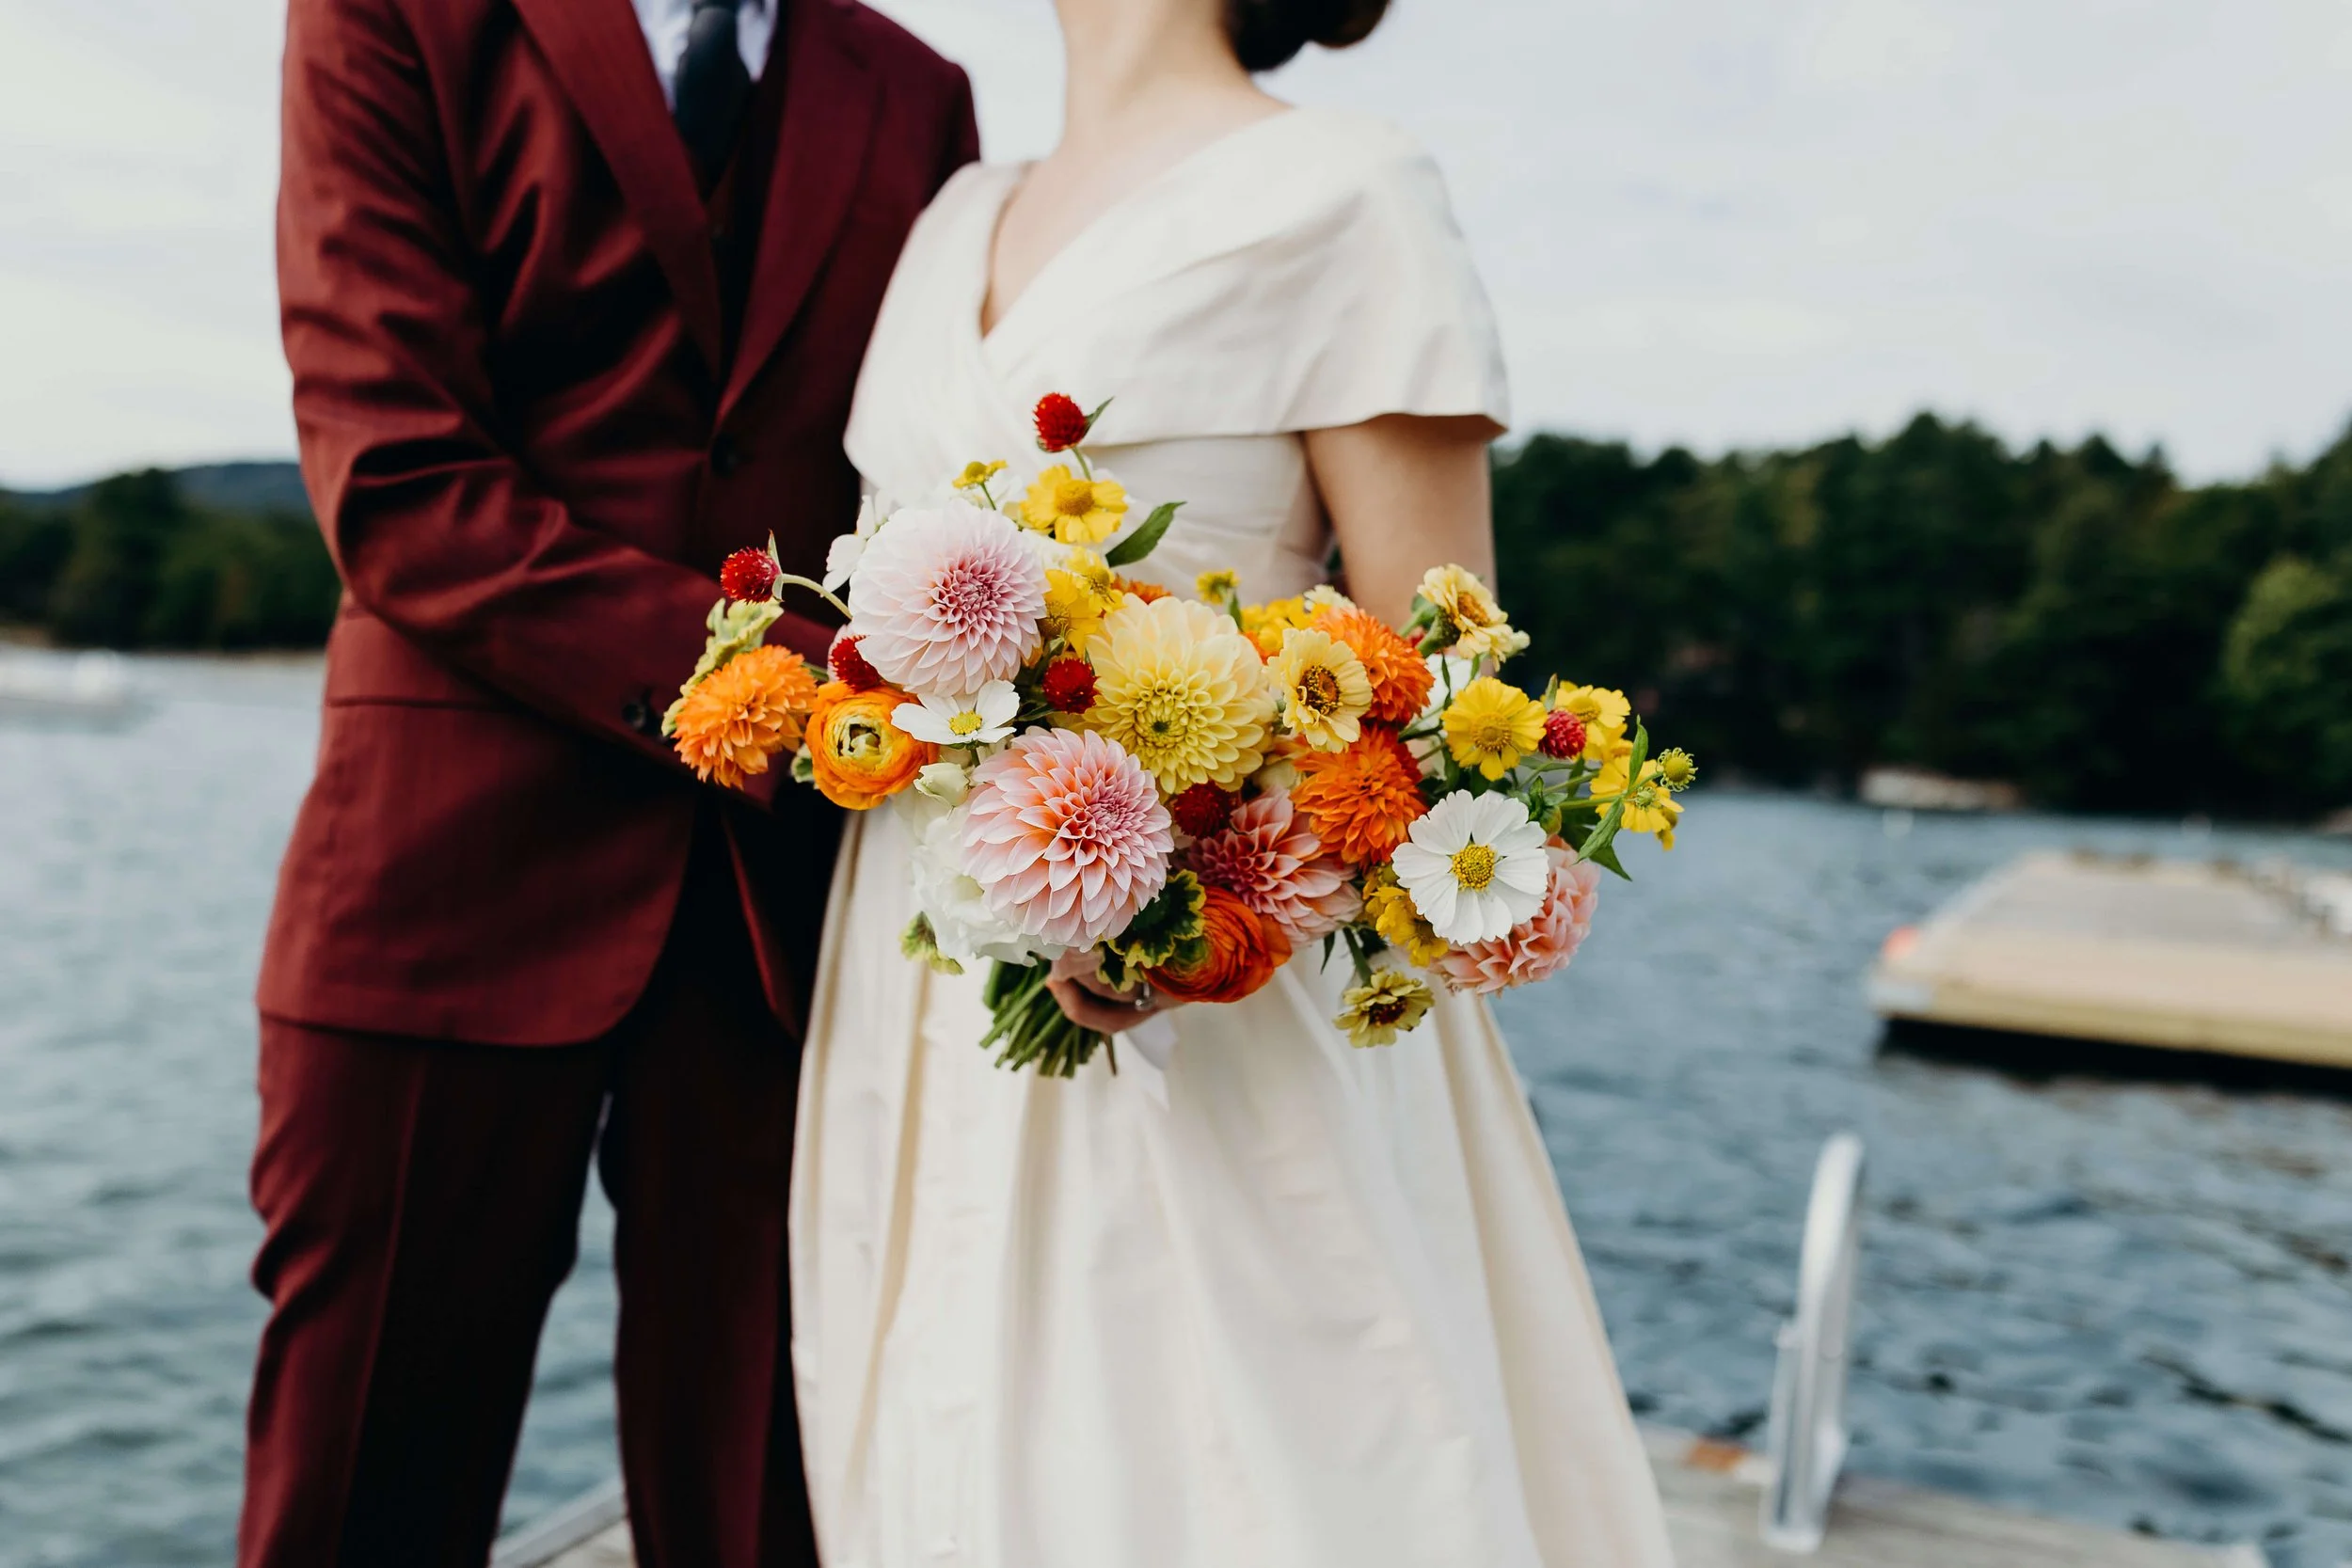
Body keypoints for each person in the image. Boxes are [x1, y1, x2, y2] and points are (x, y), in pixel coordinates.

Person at [789, 1, 1680, 1563]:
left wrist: (1183, 892)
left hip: (1212, 995)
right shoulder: (951, 222)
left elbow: (1438, 695)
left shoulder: (1349, 192)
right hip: (923, 978)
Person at [244, 3, 975, 1564]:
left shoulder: (918, 95)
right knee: (362, 1491)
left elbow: (929, 479)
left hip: (787, 918)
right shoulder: (385, 15)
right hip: (444, 879)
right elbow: (395, 479)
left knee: (771, 1507)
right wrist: (782, 687)